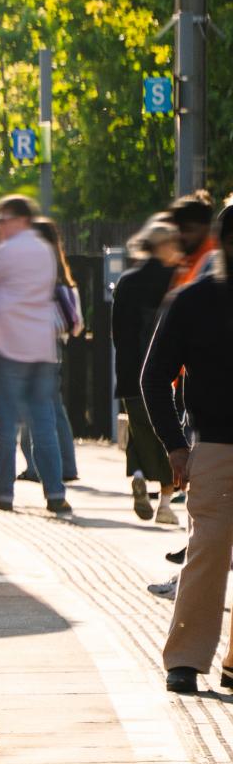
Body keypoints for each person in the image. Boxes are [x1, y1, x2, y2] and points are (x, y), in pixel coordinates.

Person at [146, 203, 233, 694]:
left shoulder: (192, 299)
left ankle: (219, 662)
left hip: (212, 444)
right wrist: (176, 447)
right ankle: (185, 659)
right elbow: (153, 376)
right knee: (207, 554)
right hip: (214, 444)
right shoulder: (192, 301)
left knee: (206, 553)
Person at [0, 195, 71, 517]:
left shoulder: (8, 252)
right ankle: (55, 495)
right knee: (44, 424)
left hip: (10, 346)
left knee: (6, 424)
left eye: (3, 218)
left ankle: (2, 494)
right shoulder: (45, 251)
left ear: (21, 219)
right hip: (42, 348)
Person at [112, 219, 183, 525]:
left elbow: (116, 331)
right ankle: (166, 504)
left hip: (129, 371)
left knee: (139, 431)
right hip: (163, 372)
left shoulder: (127, 281)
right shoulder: (175, 280)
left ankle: (139, 475)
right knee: (168, 435)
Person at [16, 218, 81, 484]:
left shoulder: (38, 270)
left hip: (35, 345)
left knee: (35, 406)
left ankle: (41, 467)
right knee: (52, 405)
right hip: (52, 344)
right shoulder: (58, 272)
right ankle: (63, 465)